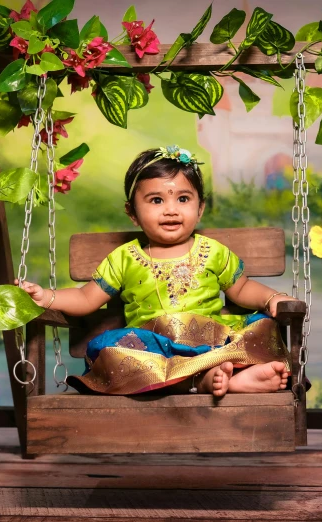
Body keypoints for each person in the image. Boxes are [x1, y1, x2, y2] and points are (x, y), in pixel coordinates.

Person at [19, 146, 297, 397]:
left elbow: (243, 289)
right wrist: (47, 297)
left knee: (263, 326)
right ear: (132, 213)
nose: (171, 210)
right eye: (156, 201)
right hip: (153, 350)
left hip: (211, 345)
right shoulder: (124, 258)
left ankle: (218, 375)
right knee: (107, 351)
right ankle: (208, 382)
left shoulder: (213, 252)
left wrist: (272, 297)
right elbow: (86, 298)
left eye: (183, 199)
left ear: (200, 208)